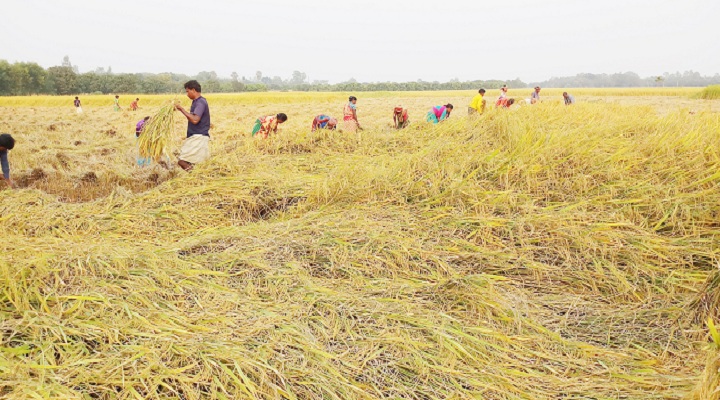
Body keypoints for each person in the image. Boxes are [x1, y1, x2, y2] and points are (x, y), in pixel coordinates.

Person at [174, 80, 211, 171]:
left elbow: (195, 120)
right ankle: (196, 178)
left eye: (187, 91)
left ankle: (194, 176)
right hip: (198, 136)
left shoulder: (200, 102)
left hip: (198, 137)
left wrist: (181, 109)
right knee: (195, 163)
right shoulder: (197, 102)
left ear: (193, 90)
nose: (187, 94)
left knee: (182, 160)